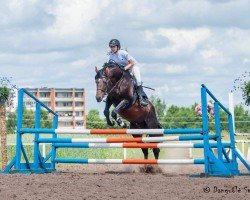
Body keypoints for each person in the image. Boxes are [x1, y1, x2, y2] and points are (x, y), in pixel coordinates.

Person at [108, 39, 148, 106]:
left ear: (118, 47)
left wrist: (124, 68)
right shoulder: (111, 55)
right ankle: (108, 95)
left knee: (138, 81)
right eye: (111, 47)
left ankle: (142, 98)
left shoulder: (123, 53)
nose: (112, 48)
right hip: (122, 70)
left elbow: (131, 63)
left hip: (132, 67)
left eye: (113, 47)